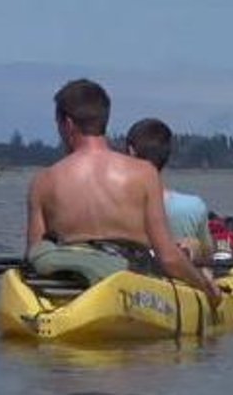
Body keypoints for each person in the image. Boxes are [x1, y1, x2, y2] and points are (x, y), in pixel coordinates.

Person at [26, 79, 221, 306]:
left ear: (67, 124)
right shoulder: (144, 174)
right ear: (103, 119)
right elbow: (168, 257)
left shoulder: (42, 182)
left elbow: (34, 254)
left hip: (68, 288)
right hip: (129, 284)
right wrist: (204, 287)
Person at [125, 118, 214, 266]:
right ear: (167, 155)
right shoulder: (193, 206)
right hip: (177, 283)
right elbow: (208, 255)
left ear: (131, 151)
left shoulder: (111, 206)